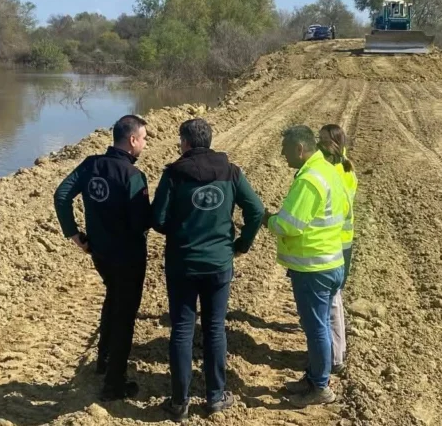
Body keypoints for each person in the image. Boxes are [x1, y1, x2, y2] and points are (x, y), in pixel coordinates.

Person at [152, 118, 265, 421]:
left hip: (182, 263)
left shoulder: (174, 174)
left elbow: (158, 219)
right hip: (219, 263)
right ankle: (215, 397)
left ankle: (179, 403)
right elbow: (255, 210)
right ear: (209, 141)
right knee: (214, 328)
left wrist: (181, 229)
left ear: (186, 142)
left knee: (182, 329)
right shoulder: (231, 172)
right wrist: (241, 244)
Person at [53, 114, 151, 402]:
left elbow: (61, 196)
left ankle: (103, 360)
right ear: (132, 140)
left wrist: (74, 234)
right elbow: (141, 222)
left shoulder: (90, 165)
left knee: (113, 297)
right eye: (144, 138)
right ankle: (114, 384)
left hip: (99, 252)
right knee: (125, 316)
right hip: (128, 256)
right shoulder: (133, 176)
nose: (144, 144)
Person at [263, 125, 349, 408]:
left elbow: (290, 224)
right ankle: (314, 377)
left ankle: (320, 387)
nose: (282, 155)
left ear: (300, 150)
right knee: (320, 325)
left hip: (314, 269)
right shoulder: (327, 171)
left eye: (285, 149)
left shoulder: (310, 179)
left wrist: (268, 220)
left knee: (317, 329)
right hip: (330, 261)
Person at [317, 124, 357, 375]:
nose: (317, 144)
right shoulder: (348, 168)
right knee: (335, 299)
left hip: (333, 242)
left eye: (321, 140)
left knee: (331, 302)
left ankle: (333, 356)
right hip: (344, 241)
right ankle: (336, 351)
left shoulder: (332, 171)